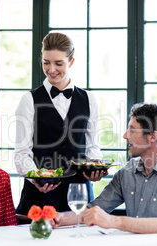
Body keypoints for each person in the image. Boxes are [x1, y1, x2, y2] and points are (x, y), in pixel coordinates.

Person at [53, 103, 157, 235]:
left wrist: (114, 221)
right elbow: (93, 211)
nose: (125, 135)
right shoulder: (128, 171)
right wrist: (59, 218)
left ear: (152, 136)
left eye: (132, 130)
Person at [14, 32, 107, 217]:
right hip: (40, 195)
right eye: (46, 62)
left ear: (71, 62)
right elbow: (22, 153)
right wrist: (37, 178)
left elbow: (92, 147)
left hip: (79, 194)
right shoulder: (28, 100)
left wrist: (95, 167)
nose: (51, 69)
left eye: (58, 63)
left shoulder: (89, 99)